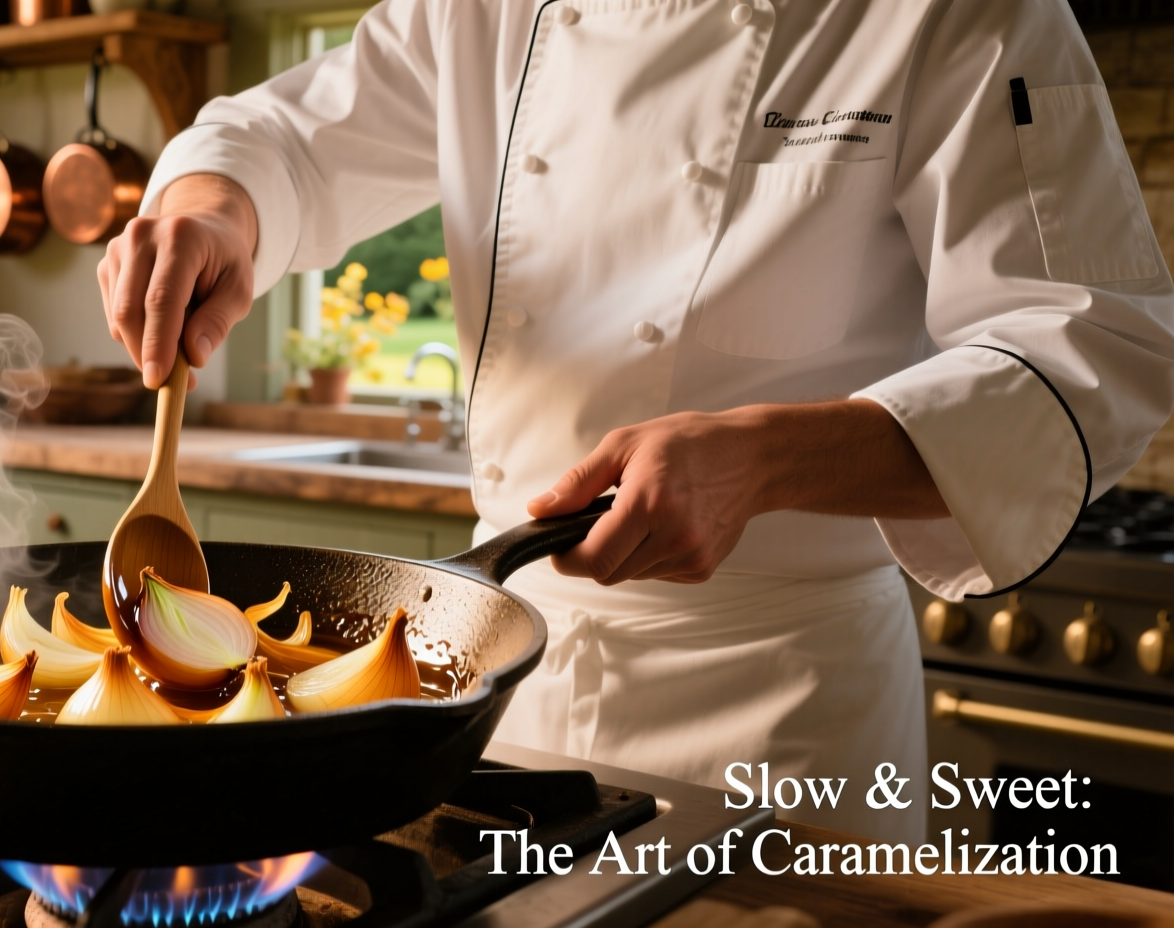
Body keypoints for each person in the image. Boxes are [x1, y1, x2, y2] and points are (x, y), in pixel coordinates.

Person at [96, 0, 1174, 842]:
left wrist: (766, 460)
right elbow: (287, 136)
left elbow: (1096, 353)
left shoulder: (960, 12)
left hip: (780, 716)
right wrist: (211, 210)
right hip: (500, 692)